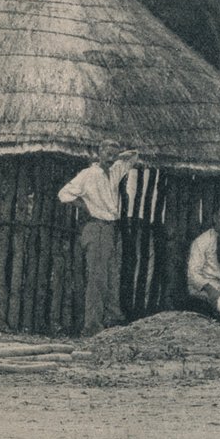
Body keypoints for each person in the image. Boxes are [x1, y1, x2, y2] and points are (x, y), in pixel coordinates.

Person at [58, 140, 140, 335]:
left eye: (114, 153)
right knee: (98, 278)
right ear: (99, 152)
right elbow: (63, 194)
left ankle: (111, 319)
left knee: (112, 275)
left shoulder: (115, 171)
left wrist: (120, 155)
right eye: (108, 152)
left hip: (111, 228)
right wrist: (85, 206)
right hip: (96, 227)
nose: (111, 156)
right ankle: (92, 326)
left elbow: (134, 155)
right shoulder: (89, 174)